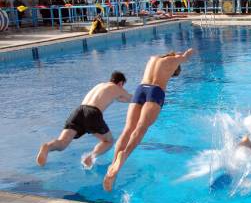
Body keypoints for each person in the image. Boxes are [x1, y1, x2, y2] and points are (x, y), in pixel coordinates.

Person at [102, 49, 195, 191]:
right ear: (175, 68)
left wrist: (184, 52)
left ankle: (113, 164)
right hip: (155, 91)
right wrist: (190, 52)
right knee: (141, 127)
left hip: (140, 89)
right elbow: (185, 57)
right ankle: (124, 155)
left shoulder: (153, 58)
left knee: (128, 128)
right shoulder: (174, 61)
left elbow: (181, 55)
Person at [36, 72, 131, 168]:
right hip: (92, 113)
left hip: (78, 111)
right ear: (121, 83)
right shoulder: (117, 88)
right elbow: (133, 98)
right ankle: (90, 157)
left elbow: (113, 98)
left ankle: (47, 147)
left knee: (62, 143)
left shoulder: (100, 86)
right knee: (109, 141)